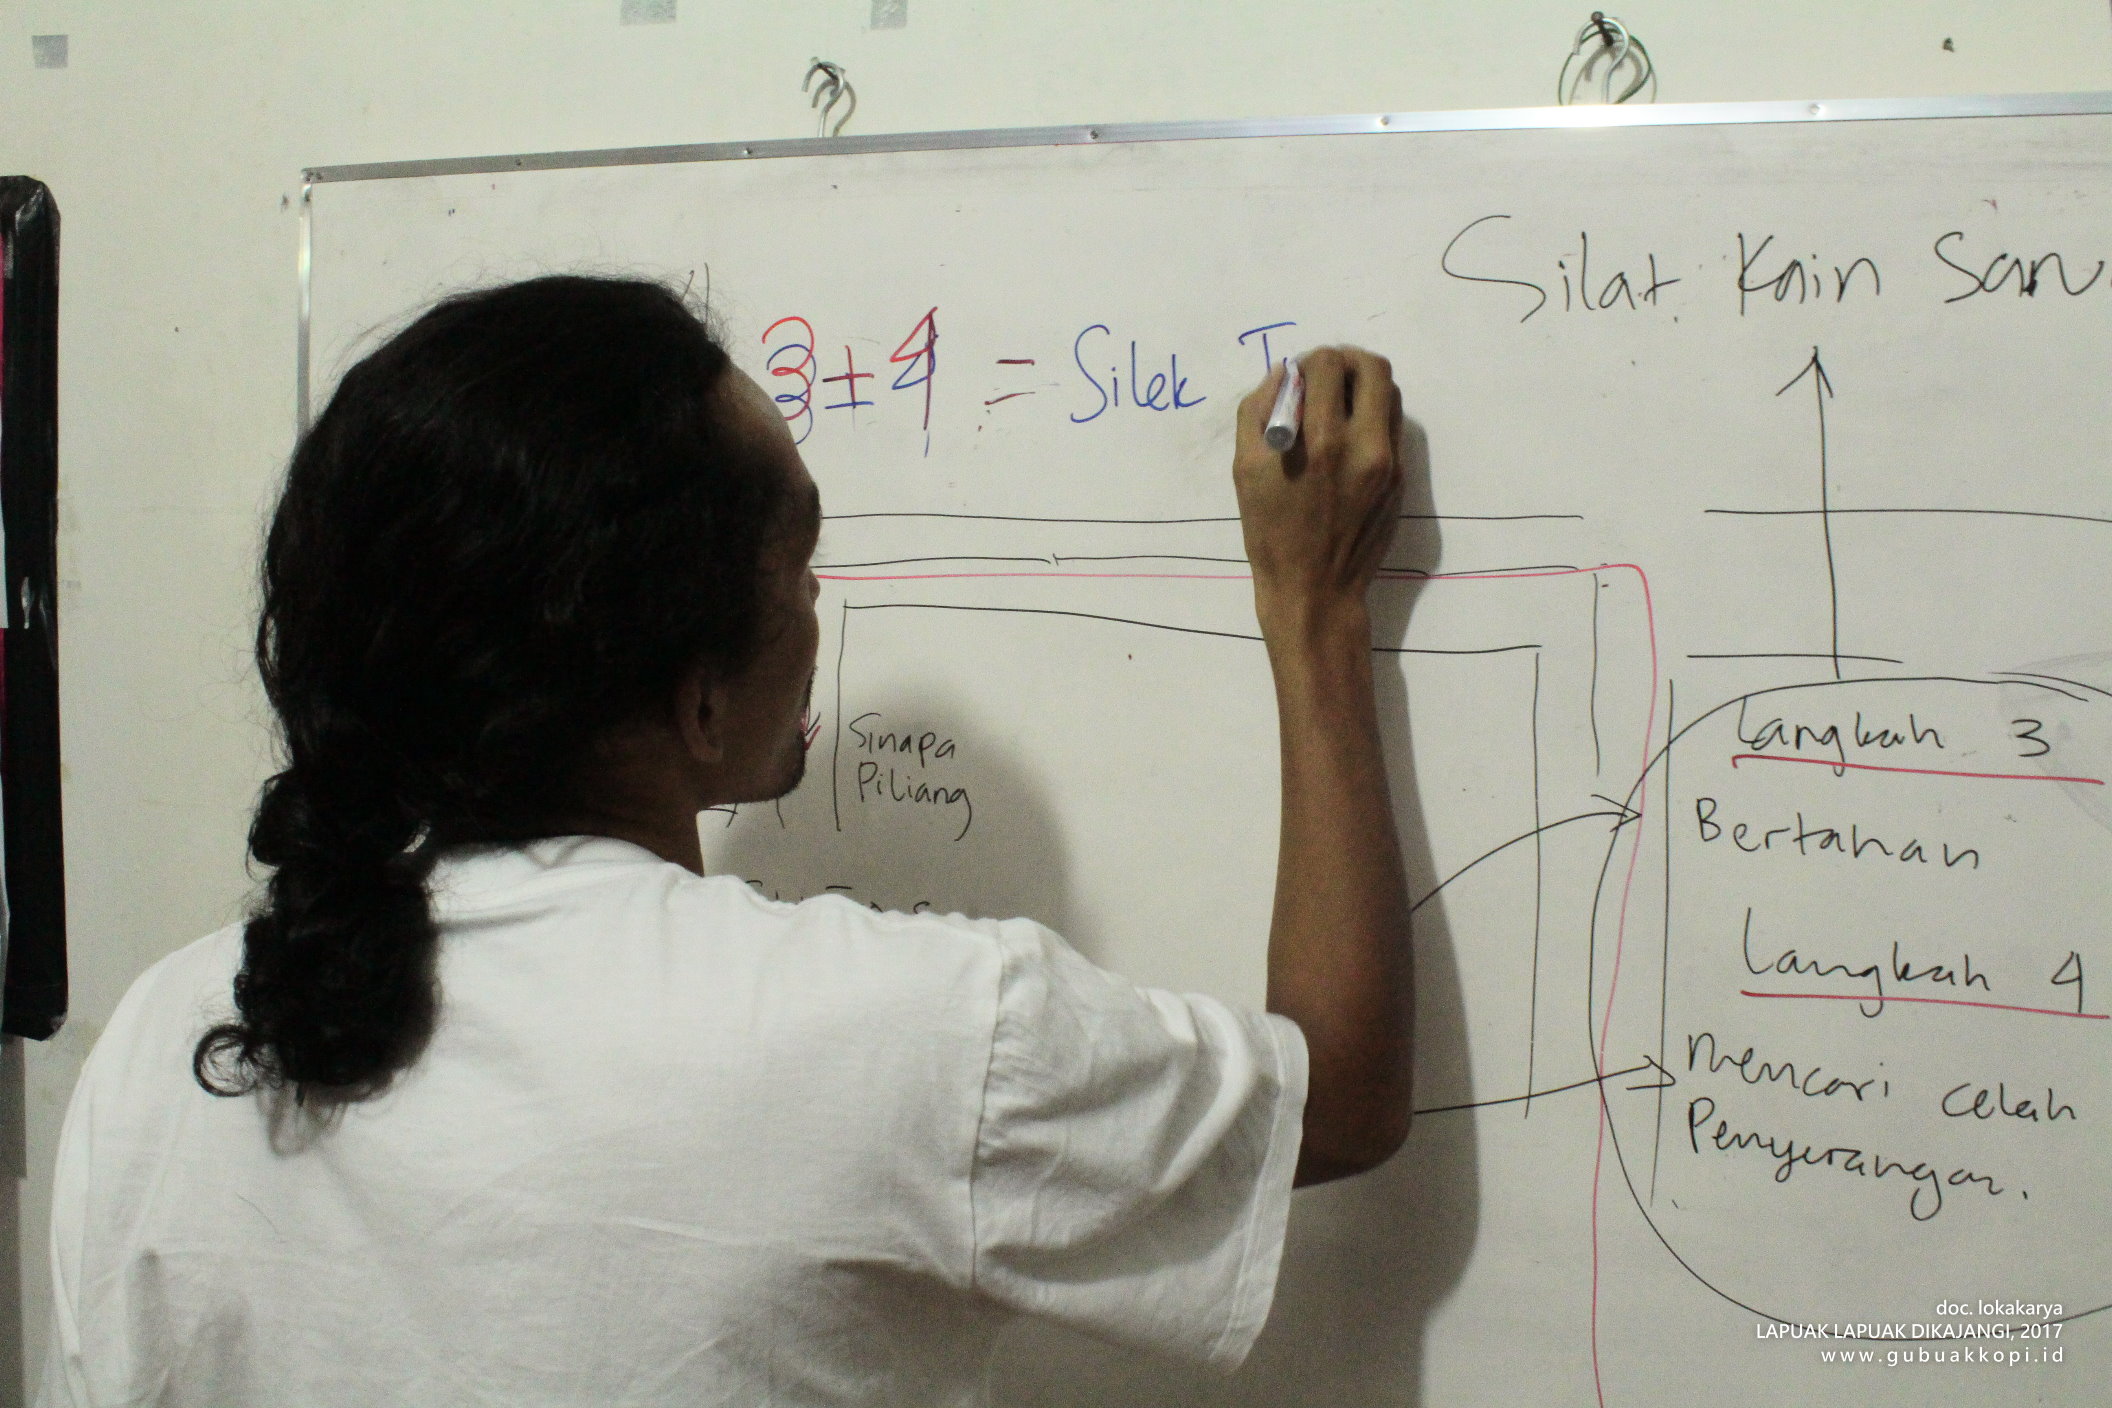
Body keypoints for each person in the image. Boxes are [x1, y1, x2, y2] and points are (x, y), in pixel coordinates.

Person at [38, 276, 1412, 1407]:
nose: (818, 606)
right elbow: (1339, 1096)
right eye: (798, 566)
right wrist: (1317, 610)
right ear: (696, 699)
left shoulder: (167, 1040)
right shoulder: (903, 1029)